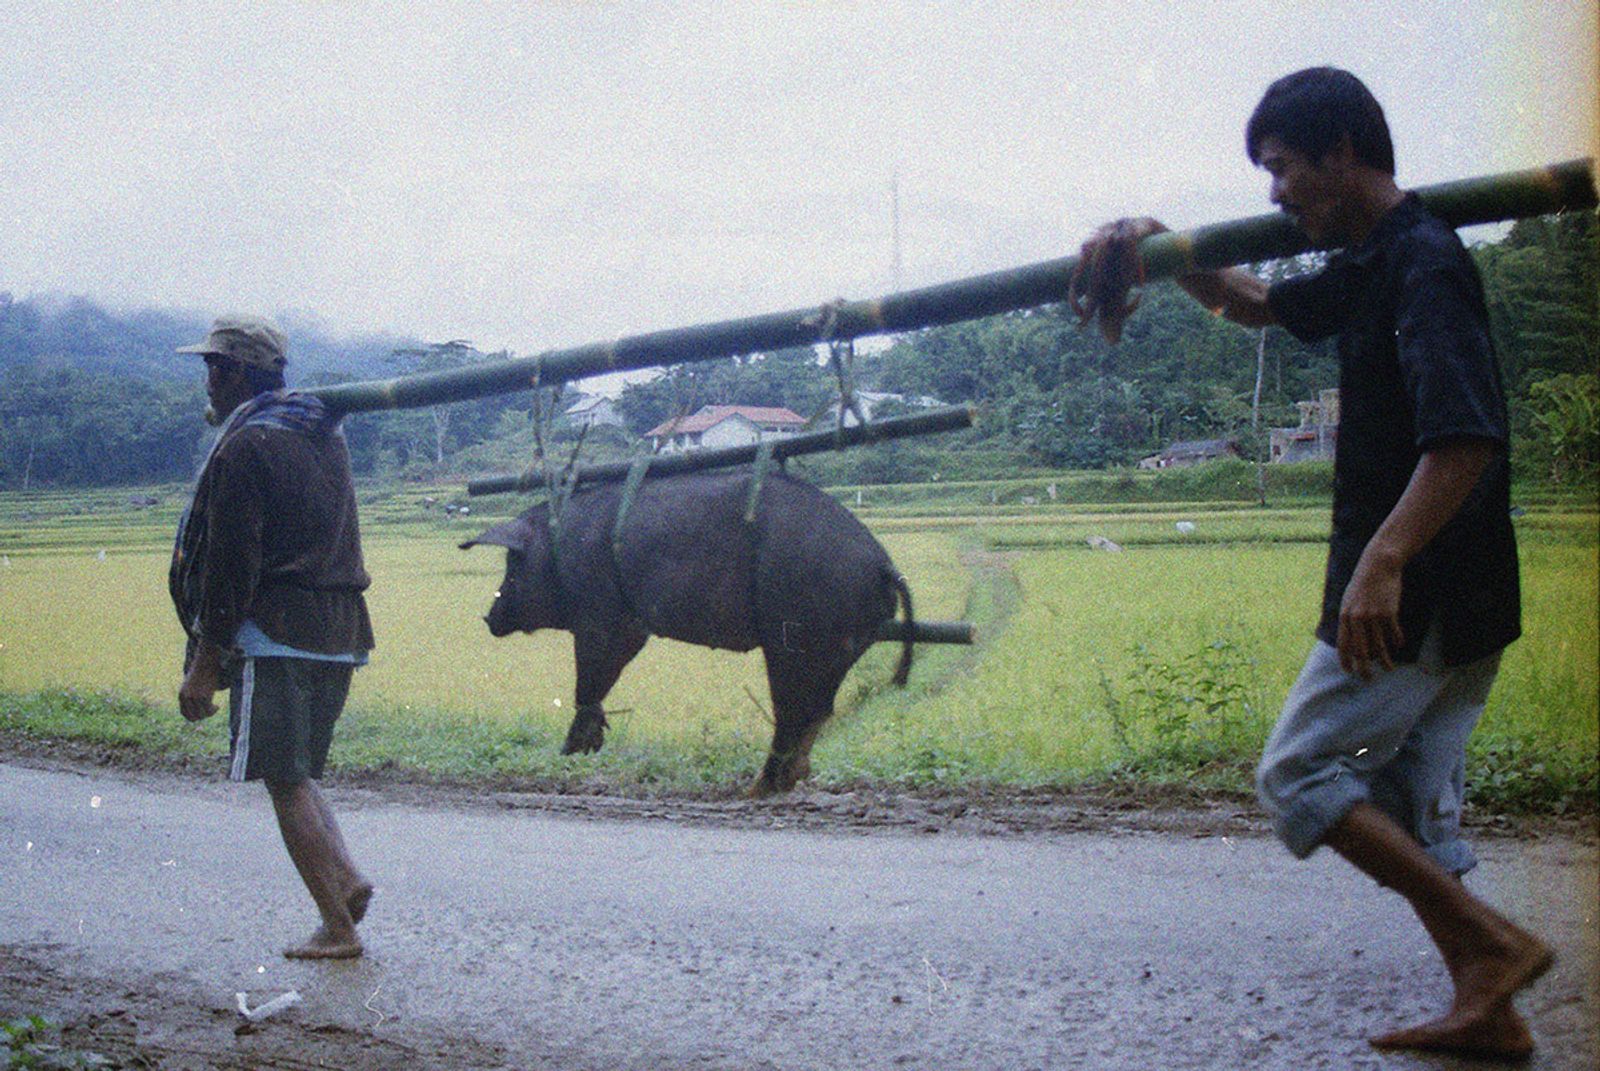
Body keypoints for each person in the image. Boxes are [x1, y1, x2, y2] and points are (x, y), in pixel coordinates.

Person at [1076, 67, 1552, 1059]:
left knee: (1297, 774)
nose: (1275, 196)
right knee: (1397, 801)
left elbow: (1464, 436)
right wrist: (1158, 244)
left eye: (1283, 170)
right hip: (1459, 592)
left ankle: (1498, 948)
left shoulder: (1420, 262)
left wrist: (1381, 565)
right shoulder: (1377, 259)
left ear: (1340, 154)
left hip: (1411, 593)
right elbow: (1252, 302)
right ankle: (1488, 1004)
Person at [169, 314, 377, 959]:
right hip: (339, 632)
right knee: (296, 773)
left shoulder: (246, 446)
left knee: (283, 781)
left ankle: (337, 929)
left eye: (211, 367)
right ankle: (345, 881)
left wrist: (205, 666)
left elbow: (232, 567)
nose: (206, 381)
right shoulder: (324, 437)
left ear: (231, 372)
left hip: (276, 634)